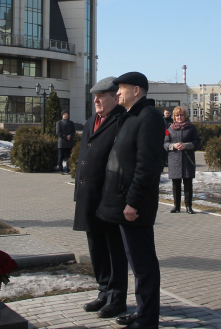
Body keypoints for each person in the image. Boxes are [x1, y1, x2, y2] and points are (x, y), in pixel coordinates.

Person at [96, 72, 165, 329]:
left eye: (121, 89)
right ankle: (143, 312)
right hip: (122, 203)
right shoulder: (131, 116)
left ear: (137, 90)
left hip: (135, 206)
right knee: (136, 264)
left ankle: (148, 321)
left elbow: (147, 166)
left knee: (144, 265)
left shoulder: (149, 118)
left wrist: (133, 202)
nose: (117, 94)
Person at [73, 77, 128, 319]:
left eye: (101, 96)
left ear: (115, 97)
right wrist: (79, 190)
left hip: (109, 198)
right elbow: (83, 156)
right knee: (95, 247)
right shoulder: (90, 121)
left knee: (113, 248)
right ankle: (103, 291)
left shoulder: (121, 121)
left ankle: (117, 298)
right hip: (89, 195)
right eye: (94, 96)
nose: (96, 100)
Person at [165, 107, 201, 214]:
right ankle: (176, 206)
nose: (179, 117)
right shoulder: (169, 129)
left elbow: (197, 141)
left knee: (188, 183)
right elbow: (165, 143)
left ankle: (189, 206)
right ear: (174, 117)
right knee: (176, 184)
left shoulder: (191, 128)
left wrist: (186, 145)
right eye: (177, 115)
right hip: (174, 159)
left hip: (187, 159)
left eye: (181, 115)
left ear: (185, 116)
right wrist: (173, 146)